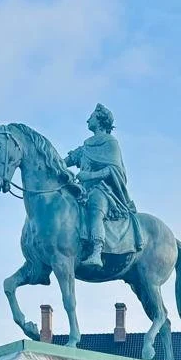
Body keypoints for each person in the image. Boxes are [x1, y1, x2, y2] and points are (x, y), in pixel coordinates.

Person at [65, 103, 136, 269]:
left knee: (95, 207)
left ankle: (97, 251)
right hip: (81, 190)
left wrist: (90, 175)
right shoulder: (86, 146)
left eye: (91, 117)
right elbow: (67, 161)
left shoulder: (111, 142)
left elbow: (114, 169)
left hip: (102, 190)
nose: (87, 120)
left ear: (100, 121)